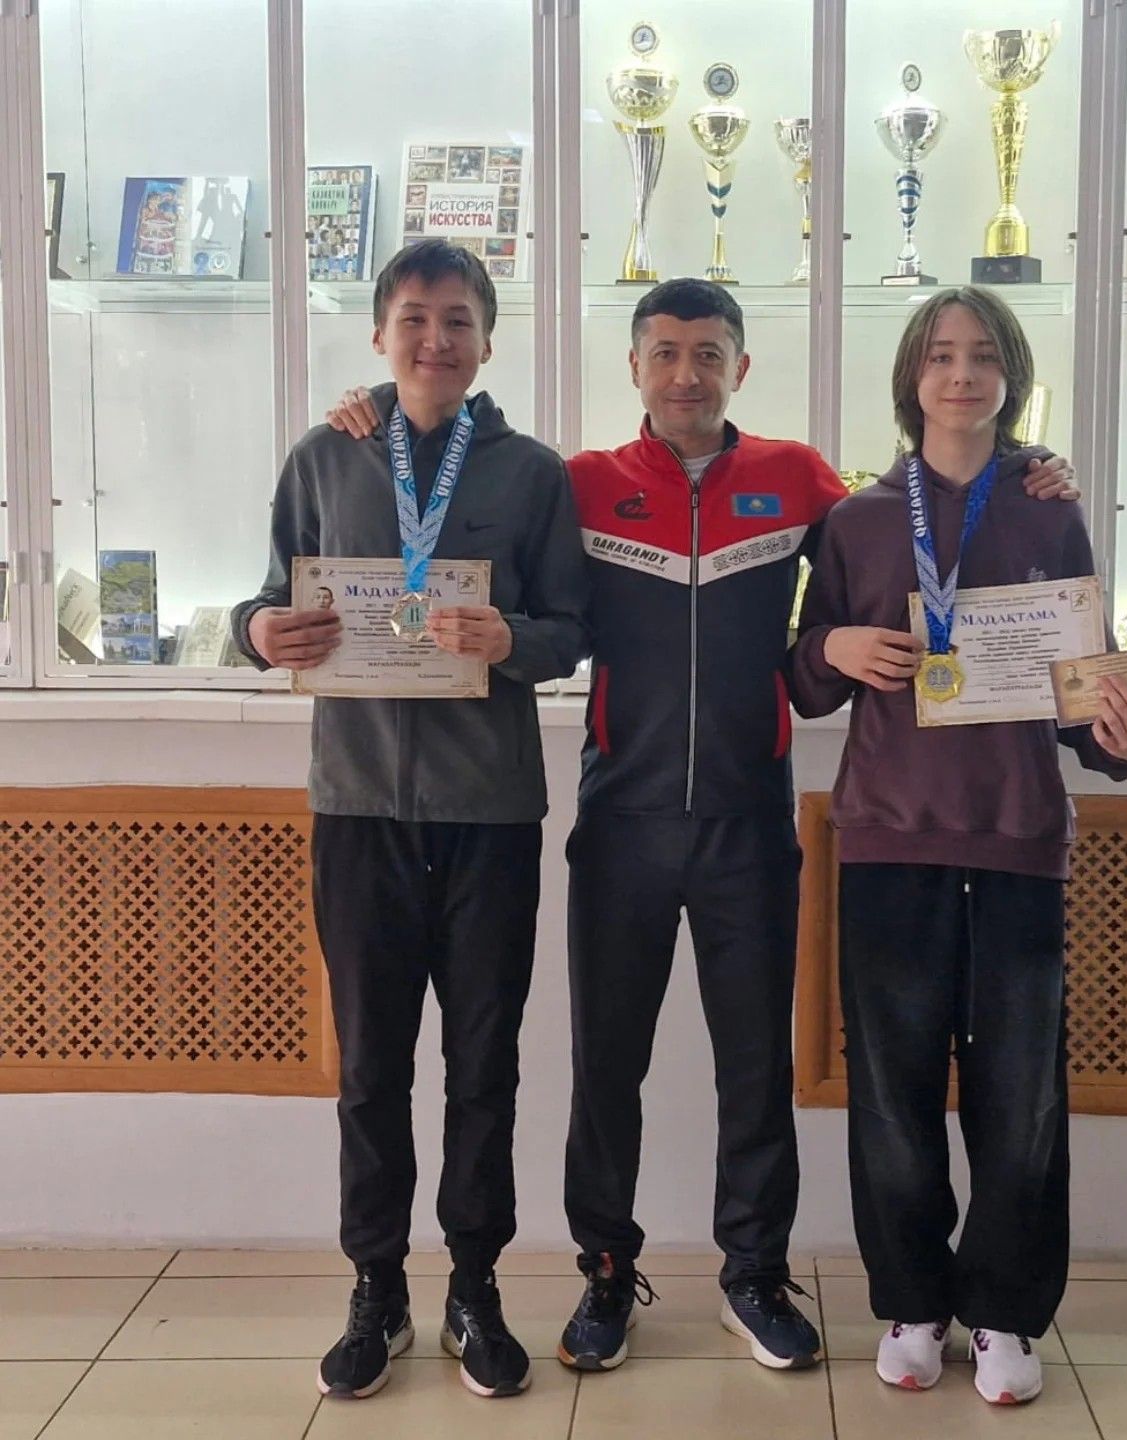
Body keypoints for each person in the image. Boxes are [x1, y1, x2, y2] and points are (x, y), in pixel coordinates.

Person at [322, 276, 1081, 1375]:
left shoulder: (800, 478)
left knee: (755, 1064)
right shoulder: (579, 482)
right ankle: (605, 1274)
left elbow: (916, 502)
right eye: (666, 353)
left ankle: (754, 1274)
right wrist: (372, 408)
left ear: (740, 367)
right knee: (606, 1068)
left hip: (748, 817)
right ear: (635, 366)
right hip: (620, 819)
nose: (687, 373)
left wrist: (1026, 464)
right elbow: (502, 543)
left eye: (709, 353)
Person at [231, 238, 588, 1403]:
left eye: (458, 320)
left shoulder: (532, 475)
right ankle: (376, 1287)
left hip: (491, 814)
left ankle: (474, 1286)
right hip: (359, 809)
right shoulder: (324, 456)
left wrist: (512, 640)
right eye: (416, 319)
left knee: (484, 1064)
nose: (436, 340)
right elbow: (266, 599)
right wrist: (258, 632)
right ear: (382, 332)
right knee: (372, 1068)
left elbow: (570, 628)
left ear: (487, 339)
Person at [789, 286, 1127, 1407]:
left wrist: (1125, 738)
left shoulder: (1050, 514)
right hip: (888, 839)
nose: (961, 374)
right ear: (912, 376)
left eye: (983, 355)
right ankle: (912, 1300)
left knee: (1020, 1096)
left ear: (1011, 376)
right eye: (941, 355)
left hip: (1016, 841)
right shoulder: (856, 519)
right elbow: (804, 677)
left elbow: (1084, 700)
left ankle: (1003, 1311)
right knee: (891, 1091)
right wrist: (836, 646)